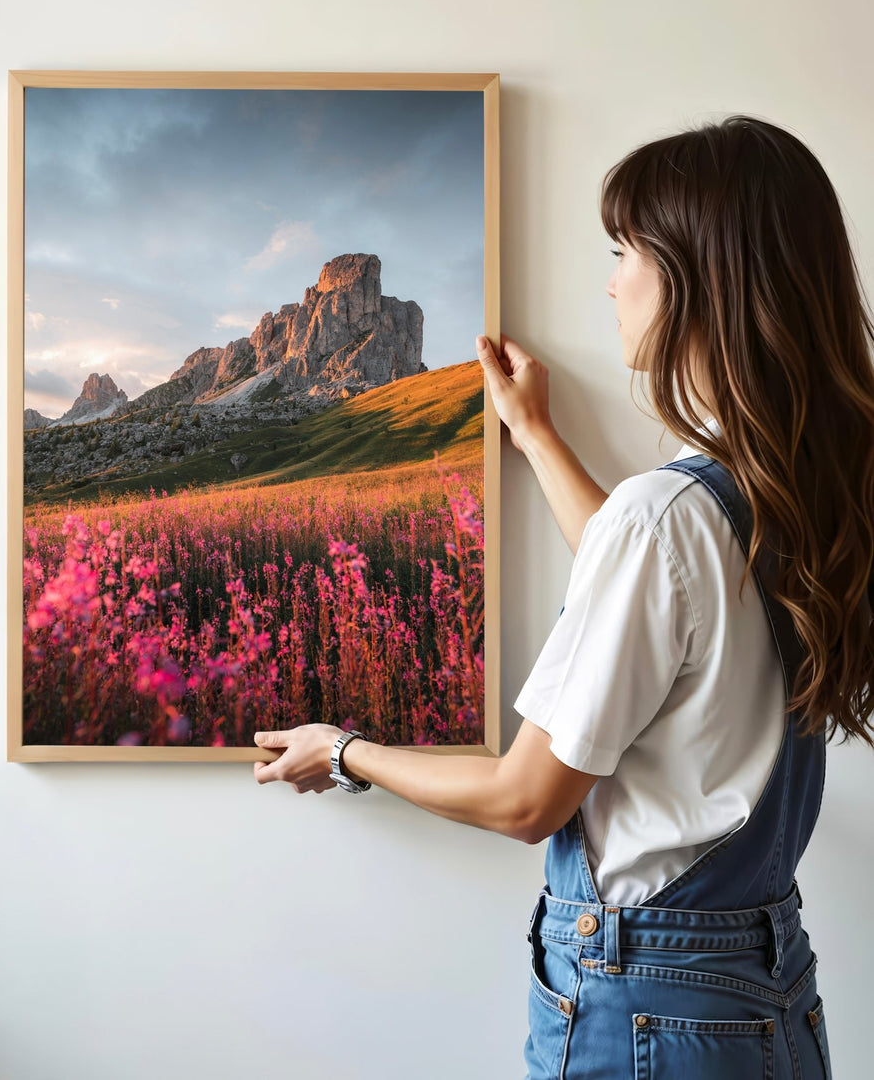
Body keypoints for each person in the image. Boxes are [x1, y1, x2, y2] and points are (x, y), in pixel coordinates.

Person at [251, 114, 874, 1078]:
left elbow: (524, 799)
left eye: (626, 251)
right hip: (762, 994)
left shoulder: (668, 516)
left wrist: (342, 751)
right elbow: (662, 602)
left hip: (648, 1010)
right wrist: (537, 436)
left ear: (698, 279)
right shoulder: (791, 487)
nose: (612, 280)